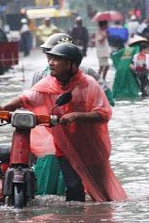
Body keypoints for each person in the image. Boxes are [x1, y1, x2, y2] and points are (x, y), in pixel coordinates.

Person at [0, 43, 127, 202]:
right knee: (73, 186)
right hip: (65, 145)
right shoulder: (47, 84)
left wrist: (77, 116)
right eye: (50, 59)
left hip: (91, 146)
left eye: (56, 60)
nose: (51, 63)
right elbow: (25, 98)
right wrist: (1, 108)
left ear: (69, 64)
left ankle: (101, 222)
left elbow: (103, 113)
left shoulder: (88, 84)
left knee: (102, 193)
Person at [30, 33, 114, 196]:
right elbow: (30, 102)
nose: (51, 61)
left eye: (55, 56)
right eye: (50, 56)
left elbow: (104, 103)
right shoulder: (42, 76)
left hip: (77, 133)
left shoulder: (87, 77)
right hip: (54, 131)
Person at [111, 35, 149, 100]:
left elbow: (114, 55)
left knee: (119, 83)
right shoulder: (137, 48)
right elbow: (139, 59)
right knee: (131, 84)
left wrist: (118, 65)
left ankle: (118, 96)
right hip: (129, 68)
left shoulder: (126, 49)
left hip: (120, 69)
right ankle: (132, 96)